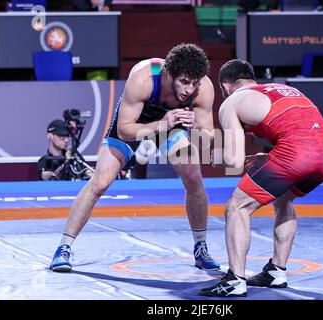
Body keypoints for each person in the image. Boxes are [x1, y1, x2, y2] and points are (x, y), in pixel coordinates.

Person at [49, 43, 220, 272]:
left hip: (173, 123)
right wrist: (162, 123)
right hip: (136, 122)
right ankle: (64, 248)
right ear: (169, 74)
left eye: (194, 83)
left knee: (193, 176)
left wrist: (195, 125)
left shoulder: (203, 87)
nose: (189, 90)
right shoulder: (143, 79)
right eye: (184, 82)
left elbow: (208, 137)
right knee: (100, 182)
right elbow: (124, 131)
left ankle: (201, 248)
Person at [199, 59, 323, 297]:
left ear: (226, 86)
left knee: (237, 207)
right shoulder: (286, 89)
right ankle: (276, 271)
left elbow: (234, 161)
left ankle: (235, 280)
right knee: (284, 199)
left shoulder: (232, 101)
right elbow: (298, 129)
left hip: (297, 154)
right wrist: (268, 156)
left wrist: (216, 156)